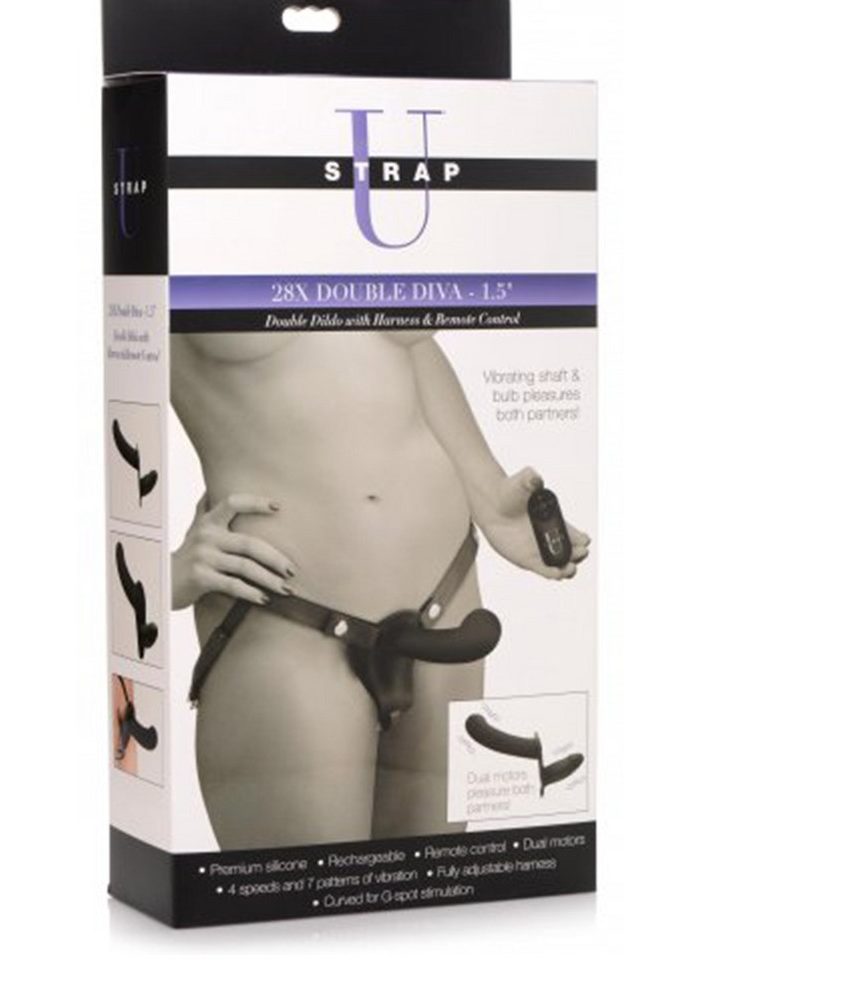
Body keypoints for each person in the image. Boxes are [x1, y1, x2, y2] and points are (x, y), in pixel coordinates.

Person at [170, 329, 589, 848]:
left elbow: (400, 343)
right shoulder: (176, 276)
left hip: (449, 594)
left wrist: (486, 491)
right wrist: (161, 576)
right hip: (290, 616)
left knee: (434, 891)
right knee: (310, 897)